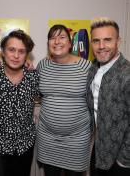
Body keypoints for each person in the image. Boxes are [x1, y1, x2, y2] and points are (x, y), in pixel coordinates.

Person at [36, 24, 92, 176]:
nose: (57, 41)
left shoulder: (86, 67)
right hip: (48, 139)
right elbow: (36, 91)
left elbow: (95, 100)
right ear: (48, 44)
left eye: (61, 37)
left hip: (76, 140)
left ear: (70, 43)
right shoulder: (43, 65)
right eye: (52, 38)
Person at [0, 30, 39, 176]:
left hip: (26, 143)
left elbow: (43, 97)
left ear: (26, 55)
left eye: (22, 51)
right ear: (3, 52)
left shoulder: (33, 76)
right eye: (11, 50)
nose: (16, 56)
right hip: (1, 145)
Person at [87, 17, 130, 176]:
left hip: (121, 160)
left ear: (118, 41)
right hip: (99, 149)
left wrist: (123, 161)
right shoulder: (93, 68)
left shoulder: (127, 75)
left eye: (107, 40)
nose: (101, 46)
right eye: (96, 41)